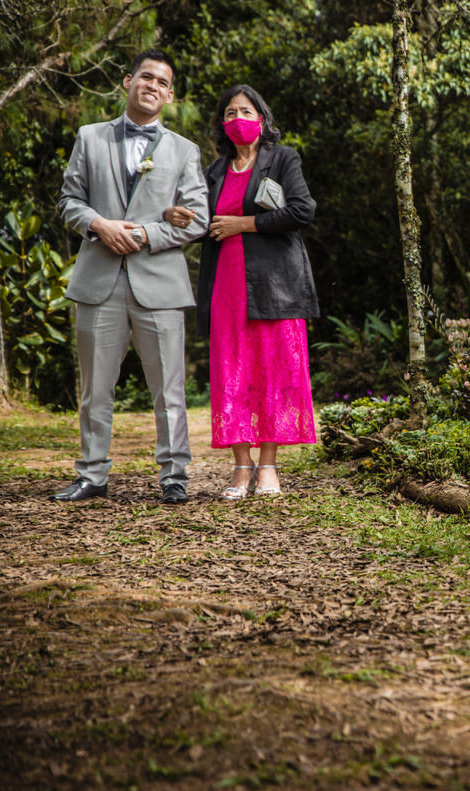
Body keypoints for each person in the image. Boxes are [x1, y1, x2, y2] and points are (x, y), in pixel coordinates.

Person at [54, 49, 208, 503]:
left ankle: (174, 475)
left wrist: (144, 233)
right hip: (99, 282)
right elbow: (69, 201)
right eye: (146, 77)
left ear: (170, 94)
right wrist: (99, 225)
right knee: (95, 387)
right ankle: (92, 474)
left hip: (159, 284)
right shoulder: (90, 137)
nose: (153, 86)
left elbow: (197, 219)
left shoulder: (184, 150)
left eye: (162, 82)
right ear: (128, 81)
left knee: (169, 390)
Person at [165, 84, 318, 498]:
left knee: (272, 371)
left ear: (262, 119)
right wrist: (175, 215)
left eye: (246, 111)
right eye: (230, 113)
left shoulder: (282, 159)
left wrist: (244, 224)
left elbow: (303, 210)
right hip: (226, 289)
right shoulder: (214, 172)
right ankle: (241, 466)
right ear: (222, 124)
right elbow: (202, 225)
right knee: (233, 374)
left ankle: (268, 465)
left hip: (274, 288)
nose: (238, 120)